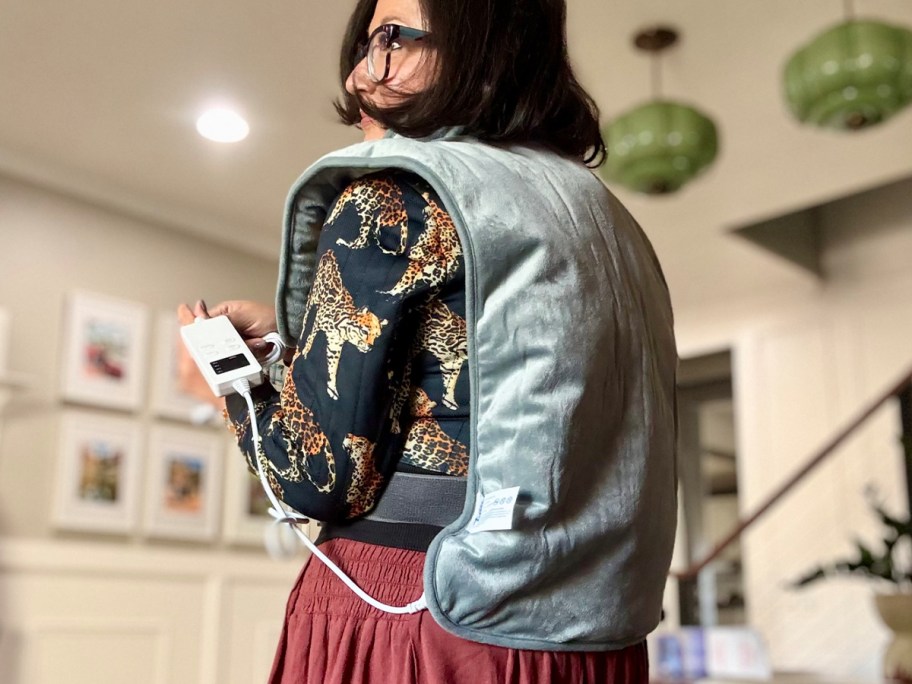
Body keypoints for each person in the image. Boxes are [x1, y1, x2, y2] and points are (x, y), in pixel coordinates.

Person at [178, 0, 678, 681]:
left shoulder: (394, 198)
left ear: (485, 44)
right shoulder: (610, 221)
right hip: (593, 637)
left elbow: (317, 479)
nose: (359, 76)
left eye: (390, 39)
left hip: (422, 617)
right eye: (365, 44)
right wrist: (288, 354)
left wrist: (236, 388)